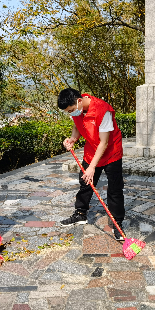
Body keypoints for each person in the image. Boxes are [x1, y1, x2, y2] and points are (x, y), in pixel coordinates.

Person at [57, 88, 125, 241]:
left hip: (111, 153)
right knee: (85, 182)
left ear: (79, 101)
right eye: (68, 112)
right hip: (91, 150)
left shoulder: (103, 110)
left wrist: (92, 167)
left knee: (115, 189)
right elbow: (77, 126)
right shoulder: (77, 109)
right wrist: (72, 139)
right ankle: (80, 214)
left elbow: (104, 142)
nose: (71, 113)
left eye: (71, 110)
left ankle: (118, 224)